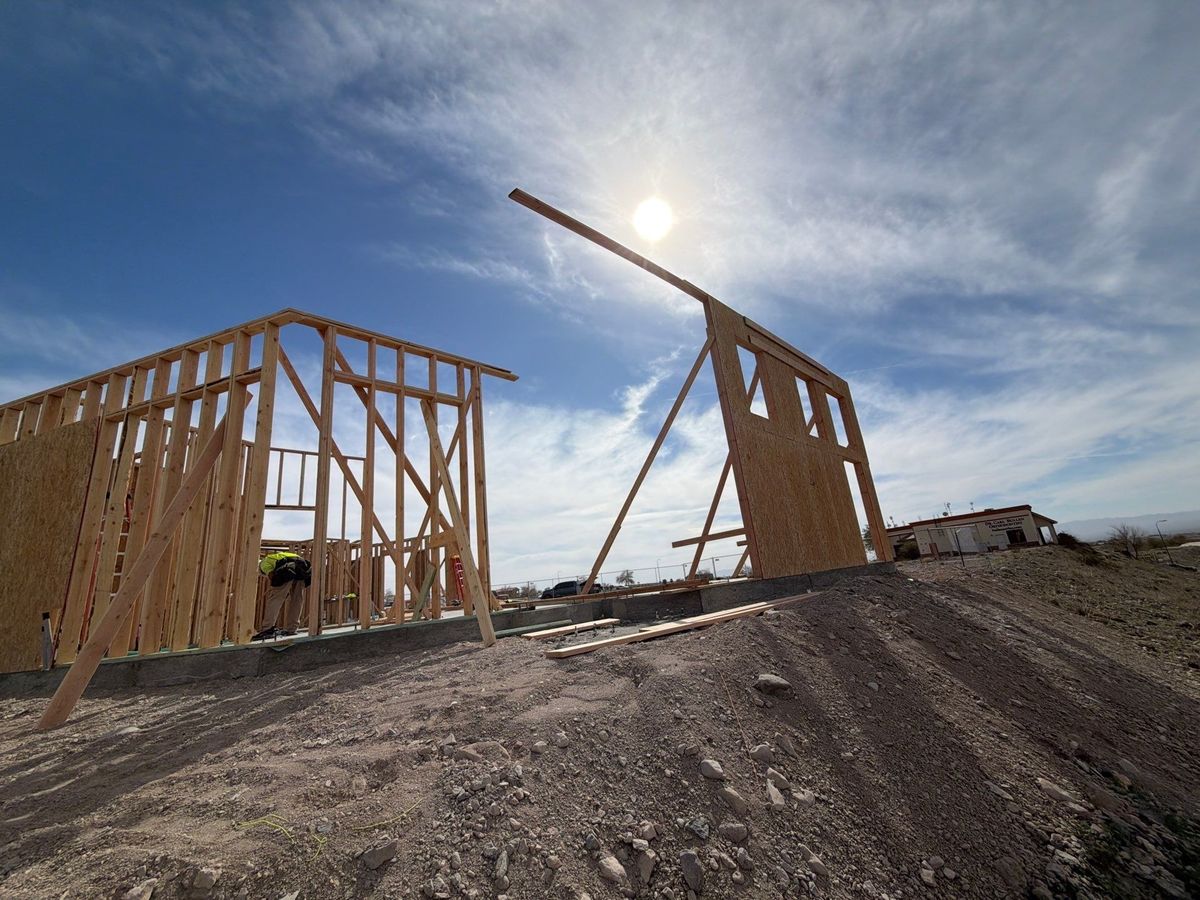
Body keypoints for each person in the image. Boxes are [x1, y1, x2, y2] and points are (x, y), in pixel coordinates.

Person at [254, 551, 312, 640]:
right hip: (303, 568)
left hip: (288, 567)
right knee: (297, 600)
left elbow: (272, 576)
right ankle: (292, 629)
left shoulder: (263, 564)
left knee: (275, 598)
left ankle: (267, 629)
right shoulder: (276, 556)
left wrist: (279, 591)